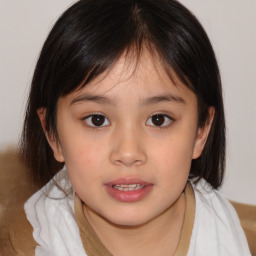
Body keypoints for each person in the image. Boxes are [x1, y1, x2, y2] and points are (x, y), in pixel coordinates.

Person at [13, 0, 251, 255]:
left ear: (201, 131)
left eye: (159, 119)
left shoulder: (229, 235)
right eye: (97, 120)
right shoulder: (28, 243)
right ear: (52, 134)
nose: (128, 153)